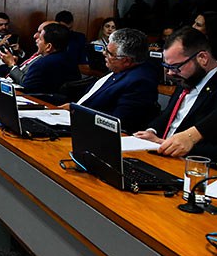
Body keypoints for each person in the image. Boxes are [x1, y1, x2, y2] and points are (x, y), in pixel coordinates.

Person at [134, 27, 217, 160]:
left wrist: (174, 146)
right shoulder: (187, 78)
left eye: (176, 67)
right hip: (161, 155)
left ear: (202, 58)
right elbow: (168, 114)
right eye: (167, 67)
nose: (171, 73)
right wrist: (151, 132)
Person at [61, 28, 159, 132]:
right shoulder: (119, 68)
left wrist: (77, 111)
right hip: (73, 119)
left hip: (92, 132)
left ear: (126, 60)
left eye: (109, 53)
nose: (104, 53)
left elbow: (116, 123)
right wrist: (74, 107)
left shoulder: (140, 82)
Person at [18, 22, 80, 95]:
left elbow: (24, 88)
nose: (37, 40)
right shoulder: (71, 60)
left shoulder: (41, 64)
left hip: (43, 102)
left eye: (40, 39)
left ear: (48, 46)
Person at [1, 20, 52, 84]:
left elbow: (26, 82)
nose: (35, 35)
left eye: (40, 32)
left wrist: (12, 64)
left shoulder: (46, 61)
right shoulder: (40, 54)